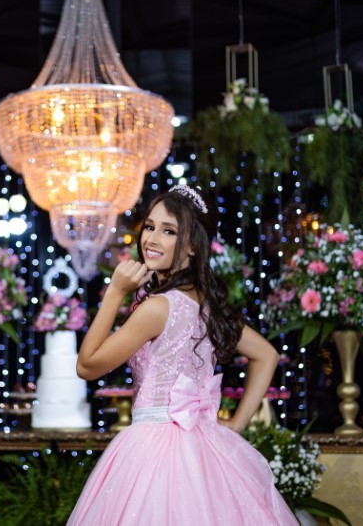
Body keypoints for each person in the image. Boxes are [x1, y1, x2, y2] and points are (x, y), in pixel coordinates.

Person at [68, 185, 297, 525]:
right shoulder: (208, 307)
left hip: (153, 449)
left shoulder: (158, 308)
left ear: (192, 246)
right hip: (206, 448)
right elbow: (267, 355)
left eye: (169, 231)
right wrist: (236, 424)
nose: (152, 238)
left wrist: (115, 292)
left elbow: (87, 366)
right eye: (150, 226)